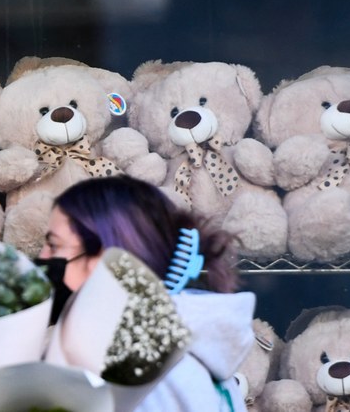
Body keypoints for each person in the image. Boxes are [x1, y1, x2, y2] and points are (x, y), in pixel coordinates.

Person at [38, 175, 256, 412]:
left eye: (54, 245)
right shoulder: (160, 353)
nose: (42, 258)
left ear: (105, 258)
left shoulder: (146, 376)